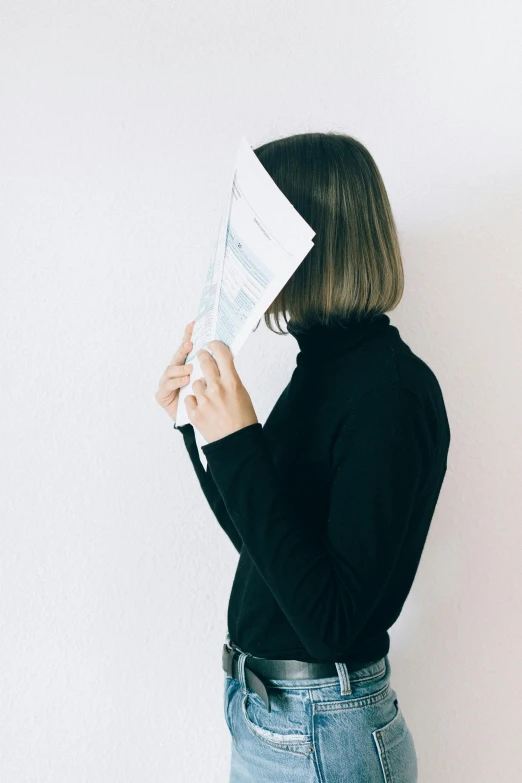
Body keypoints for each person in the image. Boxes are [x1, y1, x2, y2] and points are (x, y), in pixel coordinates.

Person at [155, 131, 451, 782]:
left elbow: (334, 623)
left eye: (259, 232)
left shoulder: (390, 394)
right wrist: (202, 428)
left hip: (321, 731)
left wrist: (238, 443)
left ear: (316, 242)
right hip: (279, 718)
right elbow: (266, 549)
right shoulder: (322, 369)